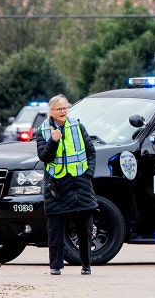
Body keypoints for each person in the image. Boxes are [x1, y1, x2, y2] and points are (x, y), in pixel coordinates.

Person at [35, 94, 98, 276]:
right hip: (57, 186)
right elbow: (44, 158)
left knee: (85, 229)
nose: (62, 111)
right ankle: (56, 266)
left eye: (65, 108)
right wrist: (53, 141)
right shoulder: (43, 131)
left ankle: (86, 265)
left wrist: (88, 174)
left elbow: (91, 152)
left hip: (80, 184)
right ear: (51, 112)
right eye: (58, 109)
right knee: (55, 229)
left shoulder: (77, 126)